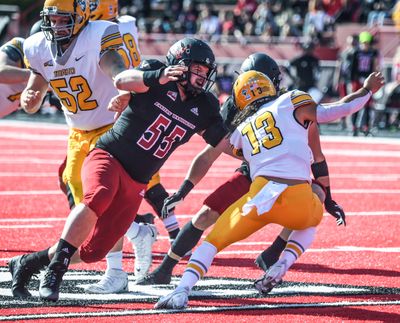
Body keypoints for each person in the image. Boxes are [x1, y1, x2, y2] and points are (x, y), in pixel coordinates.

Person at [8, 36, 230, 302]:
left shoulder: (204, 106)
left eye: (206, 72)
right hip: (109, 156)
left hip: (137, 181)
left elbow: (223, 142)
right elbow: (121, 80)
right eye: (198, 69)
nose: (202, 77)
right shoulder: (154, 75)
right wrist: (157, 76)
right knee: (98, 196)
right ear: (179, 66)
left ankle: (30, 262)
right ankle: (55, 271)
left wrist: (258, 146)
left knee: (94, 251)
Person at [154, 70, 385, 310]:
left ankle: (182, 290)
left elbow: (219, 150)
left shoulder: (242, 129)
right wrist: (367, 90)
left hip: (259, 198)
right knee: (314, 202)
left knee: (211, 243)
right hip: (297, 197)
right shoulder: (292, 99)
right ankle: (282, 264)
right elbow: (336, 110)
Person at [136, 52, 346, 286]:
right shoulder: (235, 108)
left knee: (309, 195)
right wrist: (184, 190)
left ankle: (273, 253)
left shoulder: (290, 103)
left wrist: (327, 197)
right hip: (253, 171)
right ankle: (166, 268)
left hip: (287, 174)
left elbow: (316, 154)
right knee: (206, 215)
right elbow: (210, 154)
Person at [349, 31, 380, 136]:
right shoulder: (356, 52)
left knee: (367, 105)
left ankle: (366, 127)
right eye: (364, 43)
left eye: (367, 43)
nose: (365, 45)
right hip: (357, 80)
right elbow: (352, 69)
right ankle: (354, 127)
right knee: (355, 104)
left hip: (368, 80)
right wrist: (353, 81)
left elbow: (375, 66)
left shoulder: (373, 53)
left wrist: (374, 79)